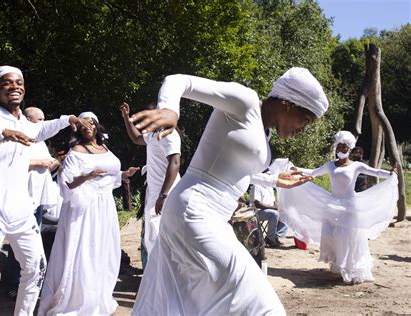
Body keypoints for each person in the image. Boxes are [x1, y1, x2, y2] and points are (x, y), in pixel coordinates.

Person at [130, 68, 328, 315]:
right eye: (305, 121)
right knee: (261, 305)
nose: (303, 129)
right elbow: (179, 80)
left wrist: (275, 179)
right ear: (289, 104)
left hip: (212, 216)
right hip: (194, 210)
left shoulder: (263, 132)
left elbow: (232, 169)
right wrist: (170, 109)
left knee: (195, 302)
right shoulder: (244, 101)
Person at [0, 66, 91, 316]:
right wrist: (1, 135)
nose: (14, 86)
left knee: (36, 268)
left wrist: (69, 119)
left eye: (19, 82)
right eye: (7, 83)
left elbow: (42, 128)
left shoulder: (24, 121)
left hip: (21, 209)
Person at [38, 111, 139, 315]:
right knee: (84, 249)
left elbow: (108, 175)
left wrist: (123, 174)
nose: (88, 126)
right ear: (78, 128)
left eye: (92, 123)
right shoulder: (75, 151)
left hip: (104, 206)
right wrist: (86, 177)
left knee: (102, 248)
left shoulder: (104, 147)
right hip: (83, 208)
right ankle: (77, 298)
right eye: (84, 124)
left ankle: (98, 294)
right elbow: (66, 183)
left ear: (97, 126)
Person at [278, 131, 398, 284]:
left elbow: (375, 172)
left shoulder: (356, 166)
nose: (341, 149)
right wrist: (298, 169)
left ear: (349, 149)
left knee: (347, 237)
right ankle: (337, 264)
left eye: (344, 147)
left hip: (350, 206)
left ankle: (349, 268)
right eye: (339, 146)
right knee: (328, 234)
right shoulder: (330, 165)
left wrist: (391, 174)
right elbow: (314, 172)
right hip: (332, 205)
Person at [1, 106, 61, 299]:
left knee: (34, 244)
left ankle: (31, 283)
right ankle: (12, 284)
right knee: (17, 243)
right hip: (21, 199)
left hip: (37, 201)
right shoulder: (18, 137)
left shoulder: (40, 140)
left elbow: (47, 164)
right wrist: (40, 163)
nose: (43, 123)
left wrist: (56, 161)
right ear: (28, 119)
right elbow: (8, 164)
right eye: (40, 119)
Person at [120, 102, 181, 259]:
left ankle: (165, 273)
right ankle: (156, 272)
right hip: (155, 192)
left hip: (167, 192)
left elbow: (174, 163)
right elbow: (136, 138)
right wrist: (127, 118)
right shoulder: (154, 135)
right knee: (153, 235)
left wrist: (163, 195)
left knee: (164, 234)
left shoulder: (169, 135)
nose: (149, 118)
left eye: (152, 114)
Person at [250, 179, 288, 248]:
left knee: (286, 213)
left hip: (269, 211)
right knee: (274, 214)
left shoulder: (270, 187)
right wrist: (274, 208)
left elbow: (274, 202)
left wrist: (279, 208)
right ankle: (271, 239)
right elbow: (257, 204)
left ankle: (275, 235)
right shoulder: (257, 186)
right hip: (257, 212)